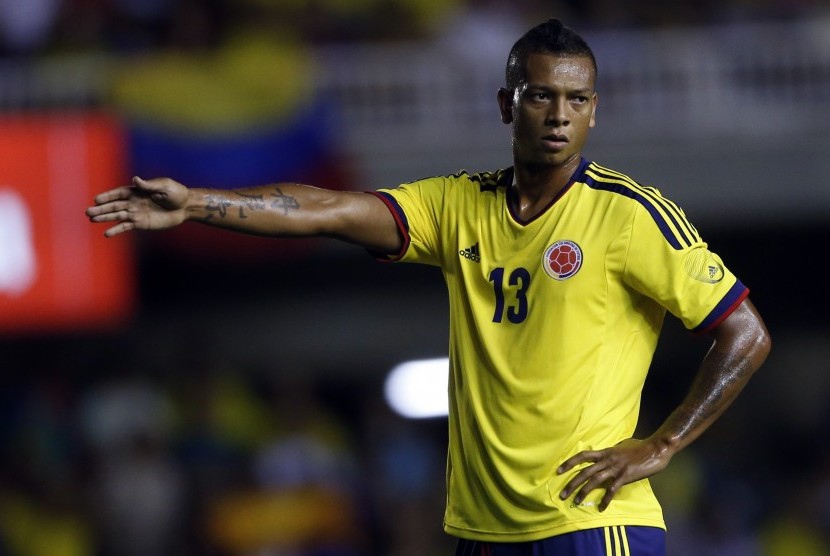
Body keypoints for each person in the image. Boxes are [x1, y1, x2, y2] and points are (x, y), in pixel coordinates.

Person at [87, 18, 771, 556]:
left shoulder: (628, 216)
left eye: (577, 100)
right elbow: (329, 209)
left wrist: (663, 444)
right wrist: (197, 203)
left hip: (591, 527)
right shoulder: (457, 205)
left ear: (595, 111)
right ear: (509, 105)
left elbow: (746, 333)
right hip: (480, 531)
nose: (559, 115)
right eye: (541, 97)